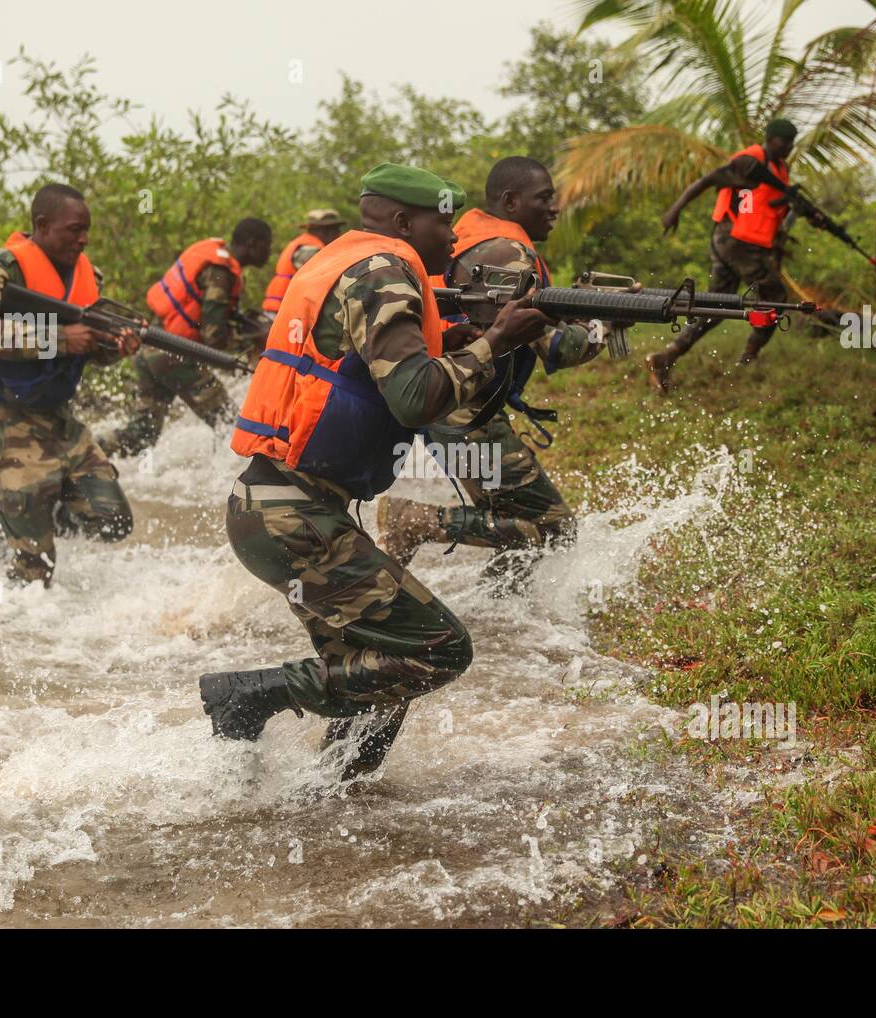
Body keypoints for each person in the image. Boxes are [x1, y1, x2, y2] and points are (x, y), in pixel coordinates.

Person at [198, 163, 553, 778]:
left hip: (278, 508)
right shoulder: (384, 274)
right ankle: (248, 695)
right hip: (294, 515)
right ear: (401, 221)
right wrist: (494, 341)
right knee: (439, 649)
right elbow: (416, 398)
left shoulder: (354, 264)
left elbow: (396, 374)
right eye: (443, 224)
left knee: (379, 671)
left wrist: (469, 340)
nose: (452, 239)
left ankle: (335, 798)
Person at [378, 156, 601, 593]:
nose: (555, 208)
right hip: (462, 413)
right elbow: (557, 346)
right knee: (555, 526)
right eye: (545, 198)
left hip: (451, 404)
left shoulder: (482, 239)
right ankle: (416, 522)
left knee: (516, 523)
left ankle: (499, 611)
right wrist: (603, 324)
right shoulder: (507, 253)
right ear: (511, 201)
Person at [0, 183, 139, 586]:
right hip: (12, 420)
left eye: (87, 229)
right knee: (35, 577)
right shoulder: (2, 268)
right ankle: (16, 512)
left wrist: (113, 346)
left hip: (62, 421)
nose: (84, 238)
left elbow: (88, 348)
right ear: (42, 225)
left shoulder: (89, 276)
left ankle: (15, 509)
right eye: (75, 229)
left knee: (113, 521)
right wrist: (59, 338)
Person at [647, 118, 818, 391]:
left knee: (718, 306)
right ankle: (748, 359)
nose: (788, 147)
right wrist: (676, 208)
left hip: (746, 242)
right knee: (774, 297)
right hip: (734, 240)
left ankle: (666, 356)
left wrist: (792, 207)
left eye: (791, 142)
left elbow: (760, 204)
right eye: (785, 141)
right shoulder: (749, 161)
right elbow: (708, 180)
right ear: (772, 139)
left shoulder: (779, 169)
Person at [97, 218, 274, 457]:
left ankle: (90, 451)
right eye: (267, 246)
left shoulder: (216, 259)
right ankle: (232, 482)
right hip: (174, 355)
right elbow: (213, 337)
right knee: (232, 425)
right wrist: (254, 339)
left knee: (140, 435)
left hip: (150, 348)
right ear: (253, 244)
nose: (270, 252)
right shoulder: (221, 272)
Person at [260, 209, 345, 318]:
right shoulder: (310, 250)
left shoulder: (302, 243)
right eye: (336, 230)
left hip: (280, 309)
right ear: (325, 231)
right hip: (284, 313)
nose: (339, 234)